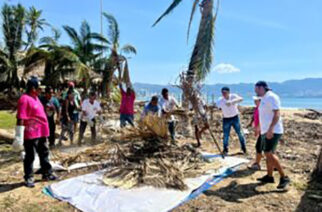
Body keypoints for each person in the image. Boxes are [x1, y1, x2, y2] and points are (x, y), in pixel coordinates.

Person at [15, 77, 56, 188]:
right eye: (39, 88)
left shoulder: (36, 98)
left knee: (44, 153)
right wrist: (19, 135)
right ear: (33, 88)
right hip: (31, 132)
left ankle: (46, 173)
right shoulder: (24, 99)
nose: (41, 90)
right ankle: (29, 177)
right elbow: (20, 117)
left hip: (41, 131)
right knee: (30, 156)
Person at [255, 81, 290, 189]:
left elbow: (277, 114)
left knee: (269, 153)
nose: (255, 92)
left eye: (256, 89)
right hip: (265, 131)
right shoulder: (264, 98)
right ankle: (269, 176)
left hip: (273, 131)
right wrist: (260, 128)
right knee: (268, 153)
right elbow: (264, 115)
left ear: (262, 88)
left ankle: (284, 177)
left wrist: (270, 129)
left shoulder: (272, 97)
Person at [216, 87, 247, 155]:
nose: (224, 94)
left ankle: (244, 148)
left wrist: (232, 102)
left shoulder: (233, 96)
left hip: (235, 117)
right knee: (226, 135)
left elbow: (241, 99)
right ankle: (225, 149)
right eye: (222, 93)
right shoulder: (220, 100)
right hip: (226, 119)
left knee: (240, 133)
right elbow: (217, 106)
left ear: (228, 92)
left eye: (225, 92)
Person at [248, 96, 262, 170]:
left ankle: (257, 164)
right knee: (263, 148)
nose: (255, 102)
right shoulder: (257, 108)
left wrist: (257, 129)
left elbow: (262, 120)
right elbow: (255, 118)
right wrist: (252, 123)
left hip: (264, 131)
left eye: (256, 100)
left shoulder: (262, 109)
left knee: (259, 147)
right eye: (254, 100)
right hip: (261, 131)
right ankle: (273, 164)